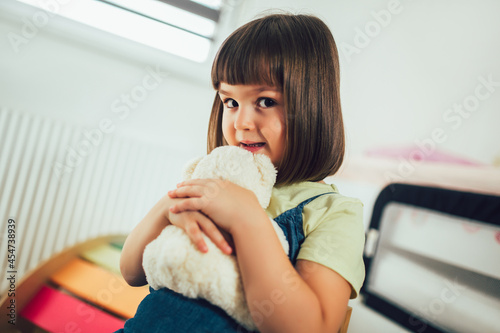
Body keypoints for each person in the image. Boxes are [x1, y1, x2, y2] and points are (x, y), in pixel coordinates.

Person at [117, 13, 365, 333]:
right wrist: (169, 207)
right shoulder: (216, 178)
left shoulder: (333, 213)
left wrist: (246, 219)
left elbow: (309, 328)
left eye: (264, 101)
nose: (241, 123)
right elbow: (131, 273)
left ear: (313, 107)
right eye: (230, 101)